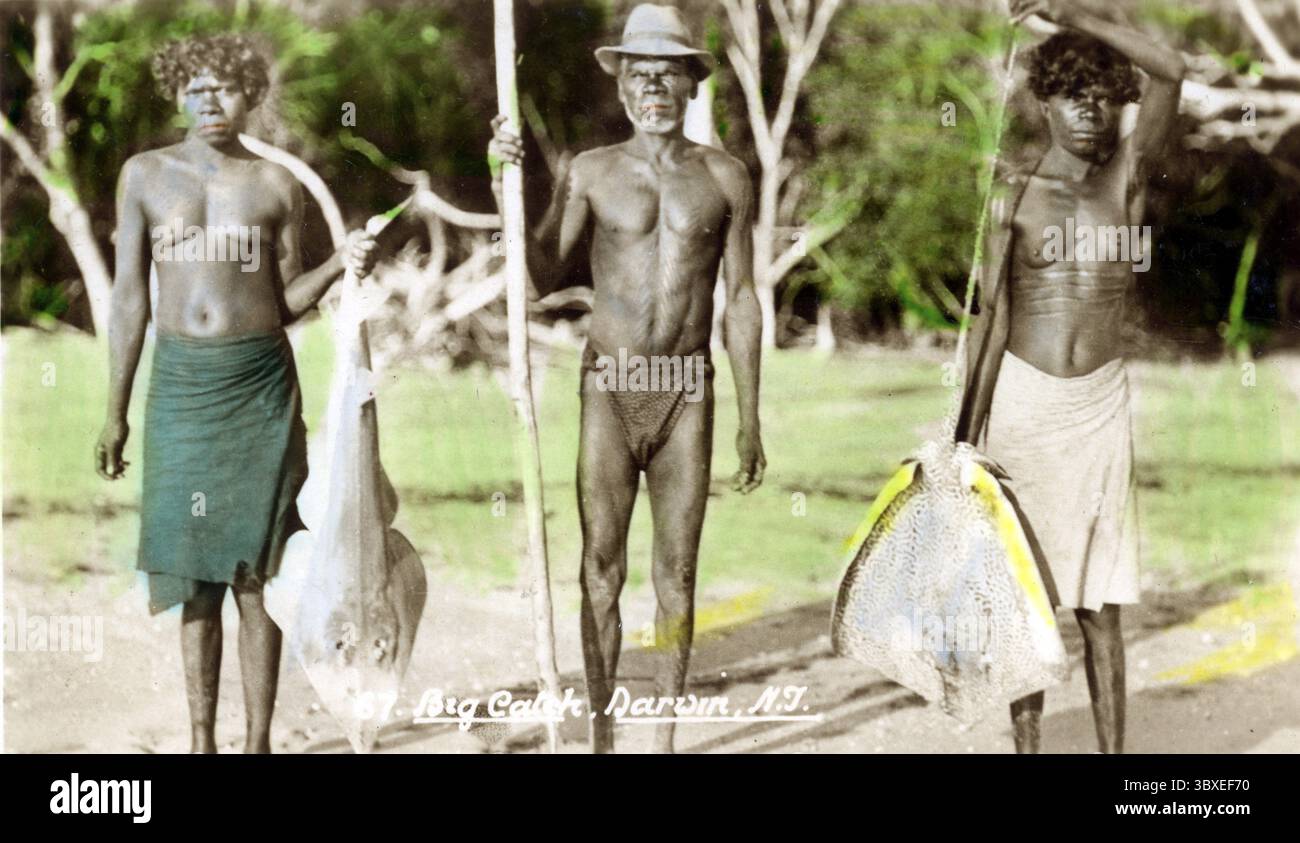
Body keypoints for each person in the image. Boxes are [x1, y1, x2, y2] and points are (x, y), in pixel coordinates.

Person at [489, 4, 765, 753]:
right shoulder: (591, 171)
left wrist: (750, 417)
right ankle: (604, 737)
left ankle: (664, 738)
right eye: (640, 76)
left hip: (688, 392)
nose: (653, 89)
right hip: (609, 388)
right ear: (621, 87)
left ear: (691, 85)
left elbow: (741, 298)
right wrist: (505, 184)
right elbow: (541, 272)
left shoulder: (726, 177)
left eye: (667, 76)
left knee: (677, 574)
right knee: (599, 571)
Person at [94, 34, 378, 754]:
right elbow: (129, 299)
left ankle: (256, 743)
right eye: (194, 88)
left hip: (259, 392)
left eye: (224, 87)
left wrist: (340, 266)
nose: (209, 101)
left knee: (260, 575)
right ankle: (201, 742)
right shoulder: (144, 176)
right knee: (195, 576)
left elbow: (286, 301)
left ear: (250, 94)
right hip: (181, 390)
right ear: (176, 94)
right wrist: (114, 412)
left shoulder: (276, 184)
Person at [957, 1, 1186, 753]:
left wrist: (1070, 14)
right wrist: (963, 442)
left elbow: (1171, 69)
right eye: (1072, 95)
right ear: (1044, 104)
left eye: (1102, 96)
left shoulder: (1126, 181)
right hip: (1023, 407)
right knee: (1023, 598)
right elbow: (991, 323)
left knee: (1100, 607)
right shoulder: (1012, 195)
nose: (1089, 111)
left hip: (1099, 409)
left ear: (1119, 105)